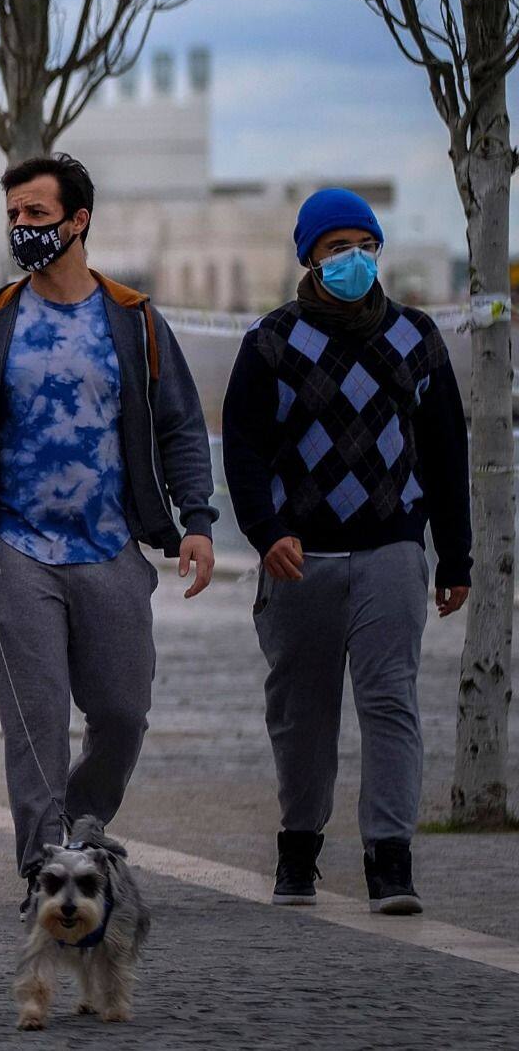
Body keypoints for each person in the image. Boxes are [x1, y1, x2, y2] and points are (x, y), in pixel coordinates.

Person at [0, 153, 218, 877]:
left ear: (78, 220)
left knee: (121, 715)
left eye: (36, 215)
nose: (22, 229)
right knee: (38, 722)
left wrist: (199, 522)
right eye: (14, 216)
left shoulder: (133, 320)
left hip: (112, 547)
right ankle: (43, 867)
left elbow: (180, 426)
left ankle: (80, 822)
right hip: (14, 550)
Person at [222, 188, 471, 915]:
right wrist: (267, 534)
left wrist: (454, 559)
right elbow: (243, 451)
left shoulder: (416, 338)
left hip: (392, 550)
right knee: (302, 714)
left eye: (366, 245)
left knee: (391, 703)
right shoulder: (272, 342)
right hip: (300, 559)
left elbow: (446, 453)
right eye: (338, 248)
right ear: (309, 258)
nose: (355, 260)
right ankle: (298, 848)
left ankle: (390, 863)